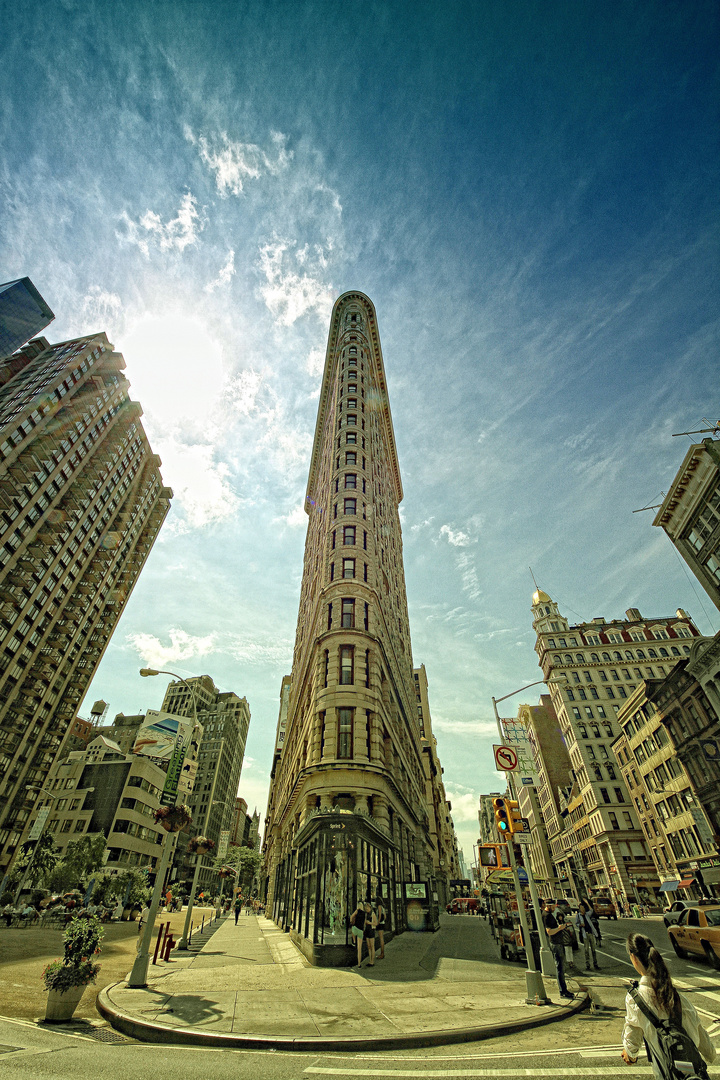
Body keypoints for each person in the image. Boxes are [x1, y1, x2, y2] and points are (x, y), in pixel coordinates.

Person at [621, 932, 716, 1078]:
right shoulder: (679, 998)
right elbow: (710, 1053)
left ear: (633, 958)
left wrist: (629, 1055)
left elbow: (632, 1045)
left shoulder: (636, 999)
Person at [542, 899, 574, 1001]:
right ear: (549, 906)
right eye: (553, 906)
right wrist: (560, 928)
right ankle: (563, 991)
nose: (555, 908)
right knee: (560, 967)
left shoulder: (548, 914)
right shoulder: (547, 916)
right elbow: (549, 931)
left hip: (557, 943)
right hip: (556, 944)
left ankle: (564, 989)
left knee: (560, 967)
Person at [576, 899, 601, 971]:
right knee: (586, 950)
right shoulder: (578, 916)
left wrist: (587, 903)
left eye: (583, 908)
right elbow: (576, 924)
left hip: (590, 933)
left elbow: (591, 910)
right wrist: (580, 925)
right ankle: (588, 965)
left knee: (593, 949)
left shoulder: (587, 914)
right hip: (585, 934)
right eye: (581, 908)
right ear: (579, 909)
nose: (582, 909)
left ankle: (595, 964)